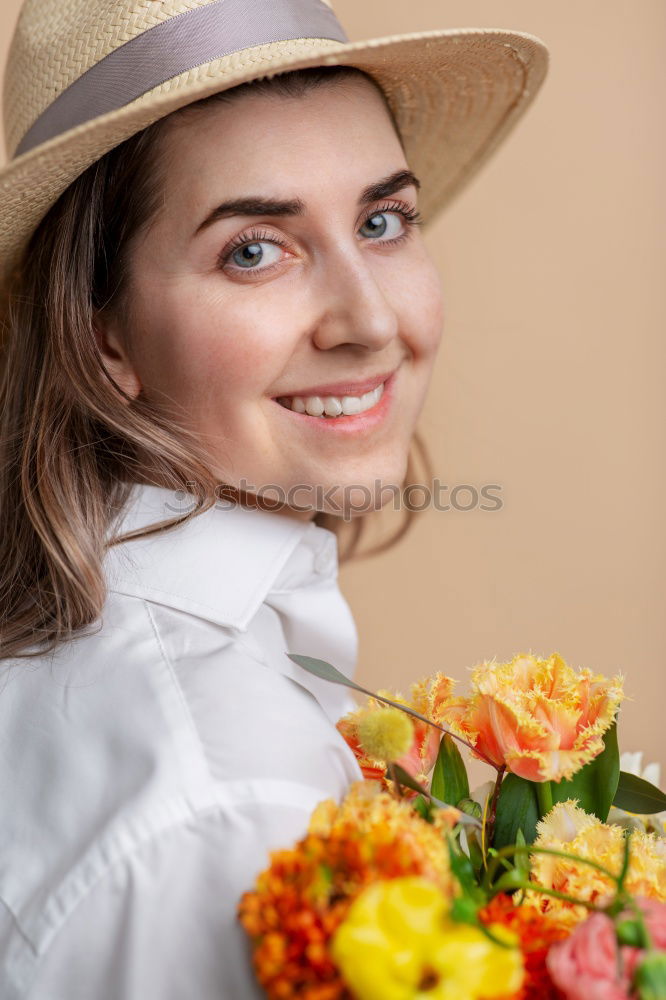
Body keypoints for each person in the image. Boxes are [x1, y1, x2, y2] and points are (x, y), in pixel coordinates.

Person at [0, 1, 549, 996]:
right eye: (254, 249)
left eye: (383, 222)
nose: (372, 321)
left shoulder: (104, 654)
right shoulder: (230, 808)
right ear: (102, 335)